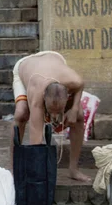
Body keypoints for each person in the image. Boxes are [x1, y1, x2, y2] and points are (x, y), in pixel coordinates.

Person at [12, 51, 91, 182]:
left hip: (54, 58)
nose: (54, 115)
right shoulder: (36, 95)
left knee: (78, 116)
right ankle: (13, 168)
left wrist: (74, 108)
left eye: (58, 111)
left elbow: (81, 84)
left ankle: (73, 169)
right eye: (50, 111)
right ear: (43, 98)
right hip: (25, 67)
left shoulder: (72, 81)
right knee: (21, 114)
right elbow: (36, 137)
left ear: (67, 94)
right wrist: (37, 171)